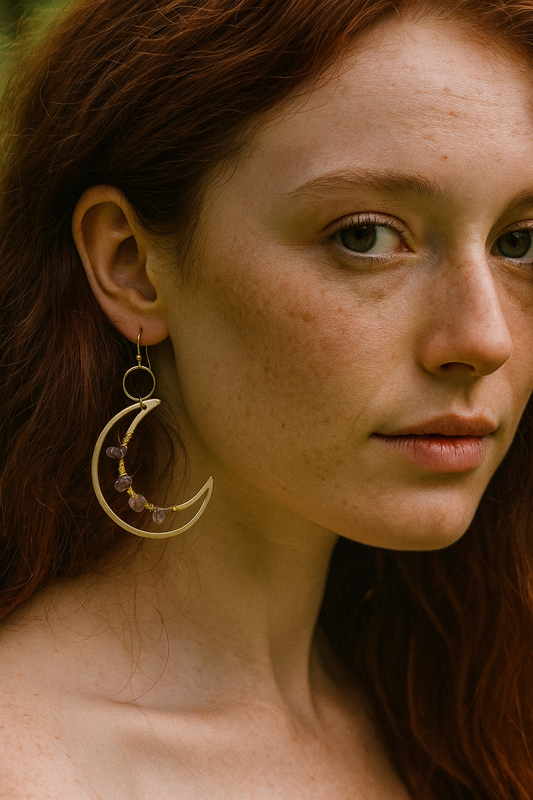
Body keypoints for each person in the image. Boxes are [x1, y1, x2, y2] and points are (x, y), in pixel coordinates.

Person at [1, 0, 533, 796]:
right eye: (364, 235)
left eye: (519, 242)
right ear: (129, 265)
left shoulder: (462, 699)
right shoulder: (35, 764)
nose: (484, 337)